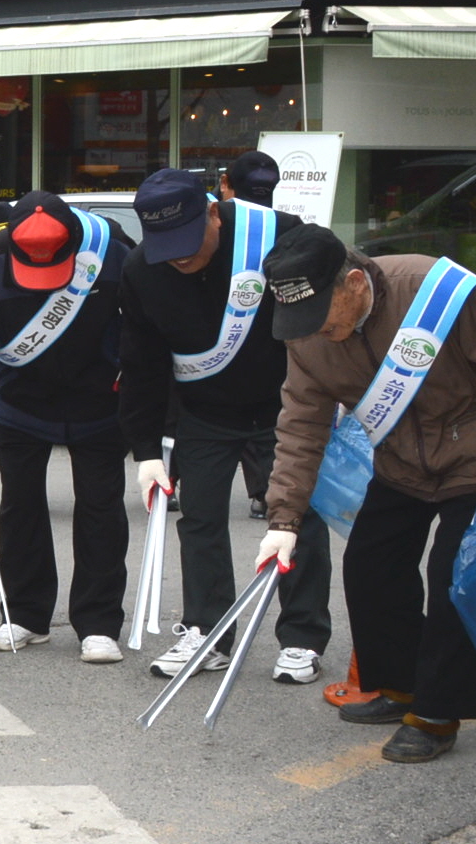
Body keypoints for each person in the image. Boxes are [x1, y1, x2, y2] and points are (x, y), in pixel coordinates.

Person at [260, 226, 476, 763]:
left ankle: (437, 712)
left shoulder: (436, 292)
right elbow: (301, 424)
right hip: (399, 462)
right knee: (370, 567)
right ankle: (402, 685)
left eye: (324, 313)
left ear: (354, 283)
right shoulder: (308, 332)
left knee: (453, 580)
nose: (318, 329)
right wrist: (284, 520)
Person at [118, 169, 331, 684]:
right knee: (200, 520)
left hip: (283, 408)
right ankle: (208, 631)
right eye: (166, 246)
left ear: (214, 211)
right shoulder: (142, 270)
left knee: (297, 518)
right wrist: (146, 450)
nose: (180, 257)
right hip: (205, 411)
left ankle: (301, 637)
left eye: (189, 242)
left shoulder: (275, 231)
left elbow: (328, 286)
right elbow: (142, 363)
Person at [0, 191, 134, 664]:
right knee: (21, 507)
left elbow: (145, 329)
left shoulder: (112, 252)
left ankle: (99, 623)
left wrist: (146, 416)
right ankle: (27, 615)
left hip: (99, 403)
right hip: (20, 403)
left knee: (101, 508)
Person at [218, 150, 282, 516]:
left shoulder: (212, 228)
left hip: (213, 354)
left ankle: (177, 482)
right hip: (270, 351)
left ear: (227, 184)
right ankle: (265, 494)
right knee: (268, 428)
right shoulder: (291, 227)